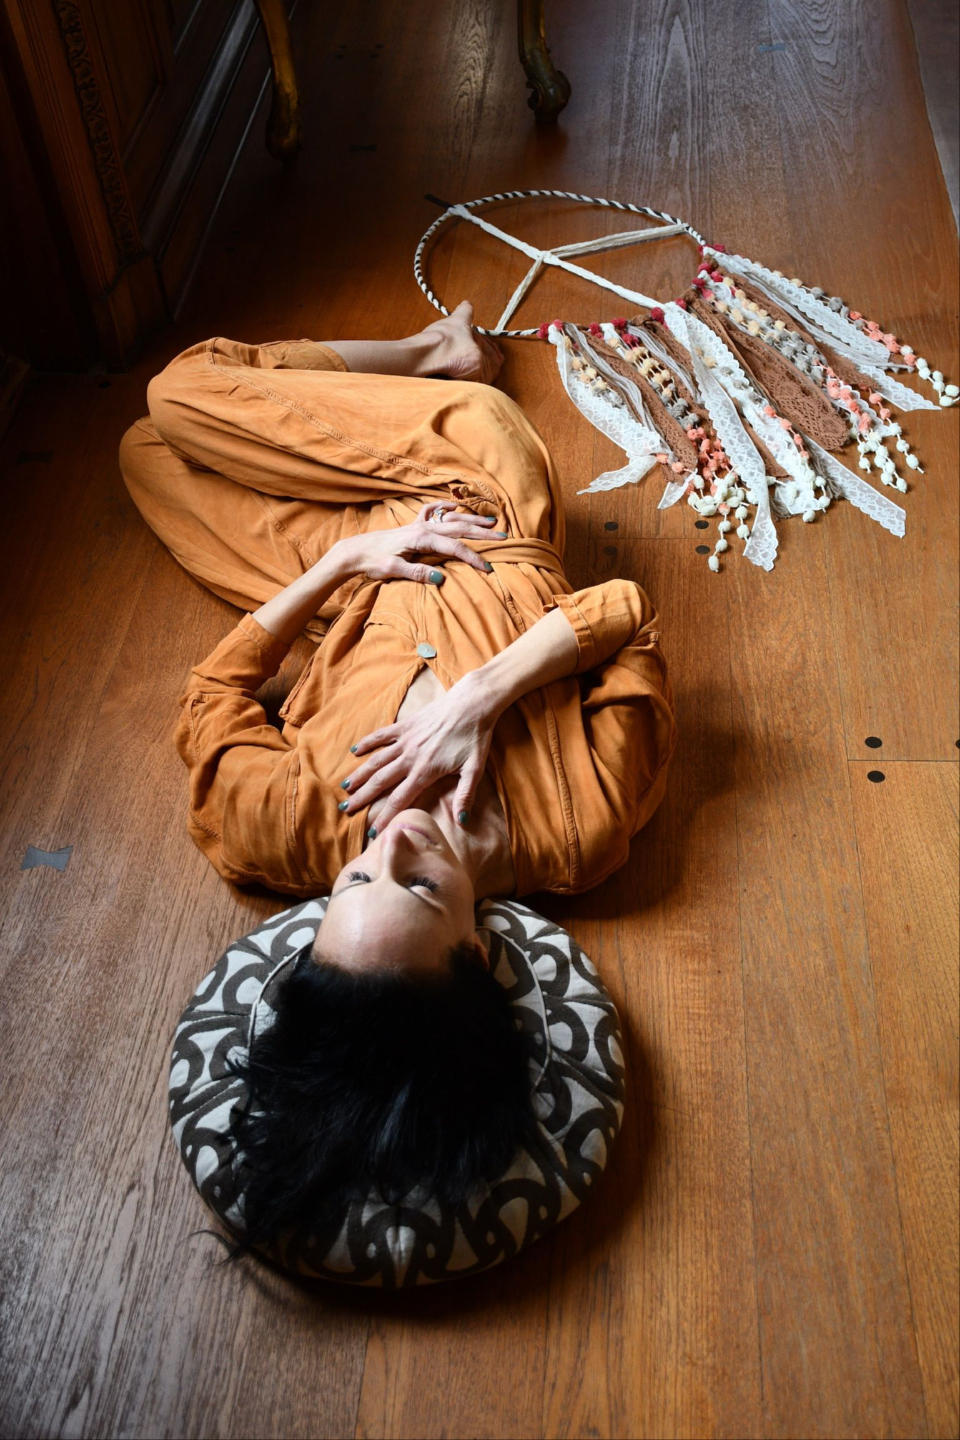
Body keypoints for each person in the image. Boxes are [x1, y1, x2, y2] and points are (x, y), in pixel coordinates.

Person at [121, 302, 676, 1250]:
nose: (395, 839)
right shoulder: (578, 828)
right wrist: (480, 700)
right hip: (474, 492)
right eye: (420, 887)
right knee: (179, 395)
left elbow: (215, 691)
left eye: (355, 879)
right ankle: (437, 355)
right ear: (479, 952)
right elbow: (628, 613)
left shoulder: (277, 831)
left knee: (148, 442)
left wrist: (347, 560)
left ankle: (406, 374)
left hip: (340, 575)